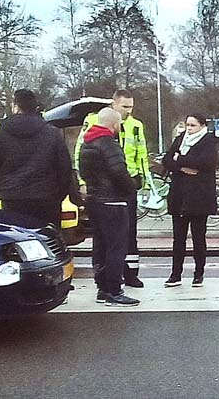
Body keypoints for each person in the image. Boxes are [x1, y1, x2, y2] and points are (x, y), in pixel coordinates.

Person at [74, 89, 149, 288]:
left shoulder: (135, 125)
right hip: (116, 188)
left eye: (131, 107)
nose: (129, 111)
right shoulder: (96, 123)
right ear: (114, 105)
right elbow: (80, 153)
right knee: (114, 240)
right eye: (125, 107)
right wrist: (83, 182)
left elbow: (141, 154)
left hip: (120, 184)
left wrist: (145, 181)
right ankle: (113, 284)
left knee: (127, 235)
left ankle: (129, 274)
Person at [0, 89, 73, 229]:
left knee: (16, 243)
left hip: (12, 198)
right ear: (35, 107)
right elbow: (64, 168)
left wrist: (2, 192)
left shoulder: (0, 135)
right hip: (46, 198)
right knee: (47, 242)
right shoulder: (52, 133)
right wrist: (57, 195)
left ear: (15, 106)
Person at [79, 108, 139, 306]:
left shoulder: (86, 143)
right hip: (113, 201)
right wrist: (131, 187)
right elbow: (119, 172)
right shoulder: (109, 144)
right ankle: (114, 289)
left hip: (95, 199)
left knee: (100, 245)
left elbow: (83, 172)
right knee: (116, 247)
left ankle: (102, 288)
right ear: (114, 124)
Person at [162, 112, 218, 288]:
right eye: (187, 125)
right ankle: (175, 274)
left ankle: (198, 274)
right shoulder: (180, 139)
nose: (189, 128)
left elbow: (206, 163)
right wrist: (183, 167)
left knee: (198, 237)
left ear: (202, 126)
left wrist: (181, 160)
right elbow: (167, 160)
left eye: (193, 125)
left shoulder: (209, 141)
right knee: (178, 238)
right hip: (179, 195)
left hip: (199, 196)